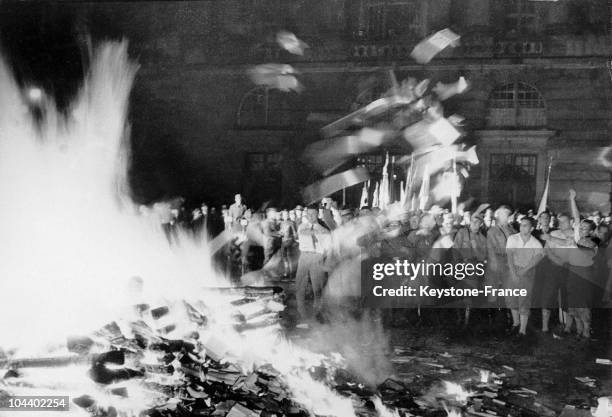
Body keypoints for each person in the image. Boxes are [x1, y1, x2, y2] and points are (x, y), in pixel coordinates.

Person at [505, 217, 544, 337]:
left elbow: (537, 258)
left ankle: (522, 330)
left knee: (524, 300)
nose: (522, 227)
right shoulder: (513, 238)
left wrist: (523, 271)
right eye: (521, 225)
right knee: (511, 299)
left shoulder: (535, 243)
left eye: (526, 225)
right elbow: (510, 256)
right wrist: (513, 273)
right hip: (512, 270)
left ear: (532, 228)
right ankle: (516, 324)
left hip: (527, 273)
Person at [295, 206, 331, 324]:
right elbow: (304, 233)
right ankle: (301, 313)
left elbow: (327, 246)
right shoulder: (302, 227)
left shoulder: (324, 229)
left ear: (317, 215)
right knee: (300, 285)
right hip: (304, 256)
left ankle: (318, 313)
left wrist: (324, 260)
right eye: (308, 214)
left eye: (313, 214)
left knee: (318, 286)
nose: (310, 217)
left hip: (317, 257)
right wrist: (316, 230)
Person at [452, 213, 487, 326]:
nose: (475, 224)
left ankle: (466, 323)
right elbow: (455, 249)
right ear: (470, 222)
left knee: (469, 295)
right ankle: (458, 318)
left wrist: (476, 247)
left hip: (473, 268)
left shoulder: (482, 239)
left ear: (481, 224)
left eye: (478, 222)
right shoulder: (462, 232)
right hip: (460, 265)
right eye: (473, 221)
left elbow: (483, 256)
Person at [485, 205, 515, 330]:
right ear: (498, 215)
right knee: (493, 291)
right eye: (503, 214)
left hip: (509, 263)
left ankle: (509, 320)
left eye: (507, 214)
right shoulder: (492, 230)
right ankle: (493, 321)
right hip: (497, 262)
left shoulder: (512, 229)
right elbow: (490, 248)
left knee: (509, 292)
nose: (506, 216)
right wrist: (494, 264)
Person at [279, 209, 297, 279]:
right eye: (284, 215)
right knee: (284, 258)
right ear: (282, 216)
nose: (285, 216)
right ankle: (286, 272)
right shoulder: (282, 223)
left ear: (288, 215)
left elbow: (294, 233)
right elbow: (281, 231)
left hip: (289, 242)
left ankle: (291, 273)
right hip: (283, 242)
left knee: (290, 258)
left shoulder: (291, 223)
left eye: (286, 214)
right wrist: (280, 233)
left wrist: (294, 240)